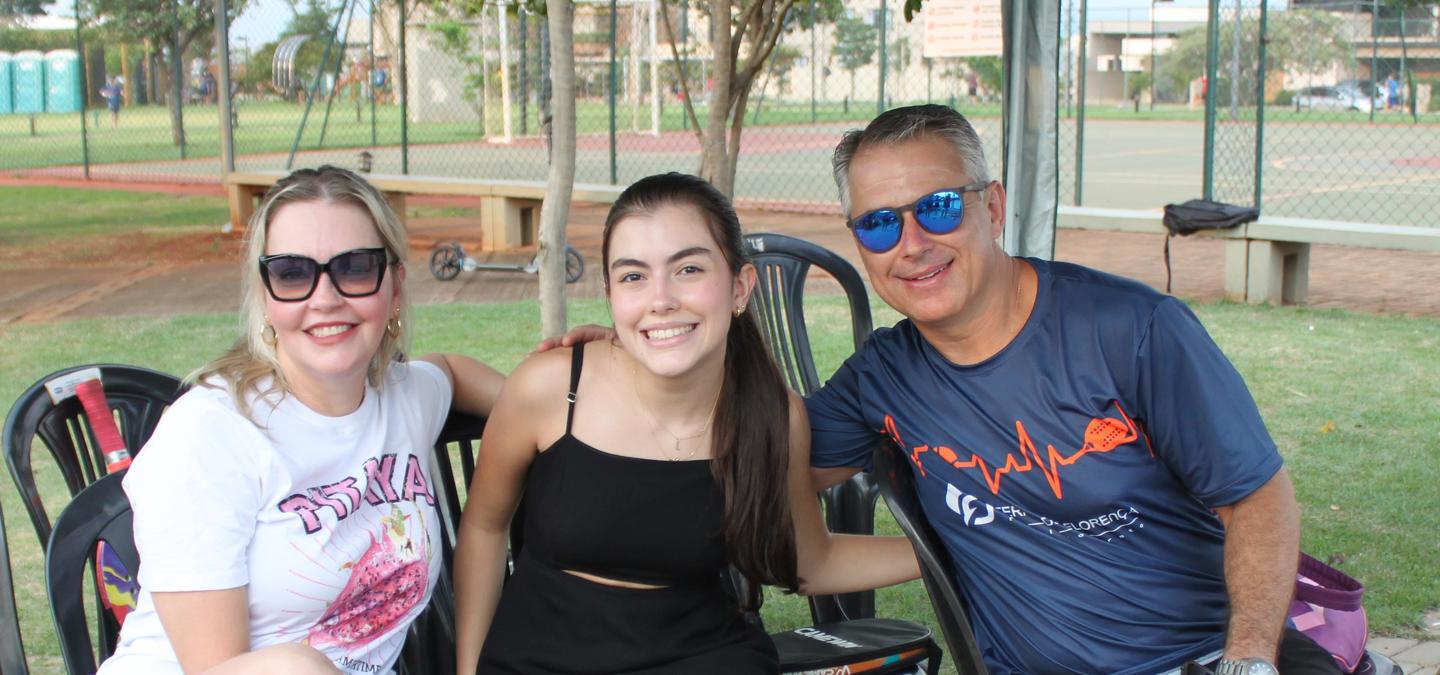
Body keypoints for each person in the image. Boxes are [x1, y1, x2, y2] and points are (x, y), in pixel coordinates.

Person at [546, 106, 1338, 675]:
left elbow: (1258, 498)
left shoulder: (1129, 331)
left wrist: (1247, 657)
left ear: (992, 205)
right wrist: (644, 356)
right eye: (879, 224)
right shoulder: (884, 377)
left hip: (1205, 653)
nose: (913, 243)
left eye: (938, 207)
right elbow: (742, 462)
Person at [453, 172, 919, 674]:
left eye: (688, 269)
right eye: (633, 277)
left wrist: (954, 544)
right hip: (537, 660)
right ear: (610, 293)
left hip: (704, 658)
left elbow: (812, 561)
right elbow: (483, 527)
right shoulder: (552, 387)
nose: (661, 299)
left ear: (740, 288)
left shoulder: (771, 415)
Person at [98, 165, 505, 675]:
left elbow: (452, 371)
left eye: (355, 268)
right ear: (265, 296)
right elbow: (216, 668)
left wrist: (566, 401)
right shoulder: (209, 434)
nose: (325, 298)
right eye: (292, 273)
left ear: (395, 287)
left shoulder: (404, 399)